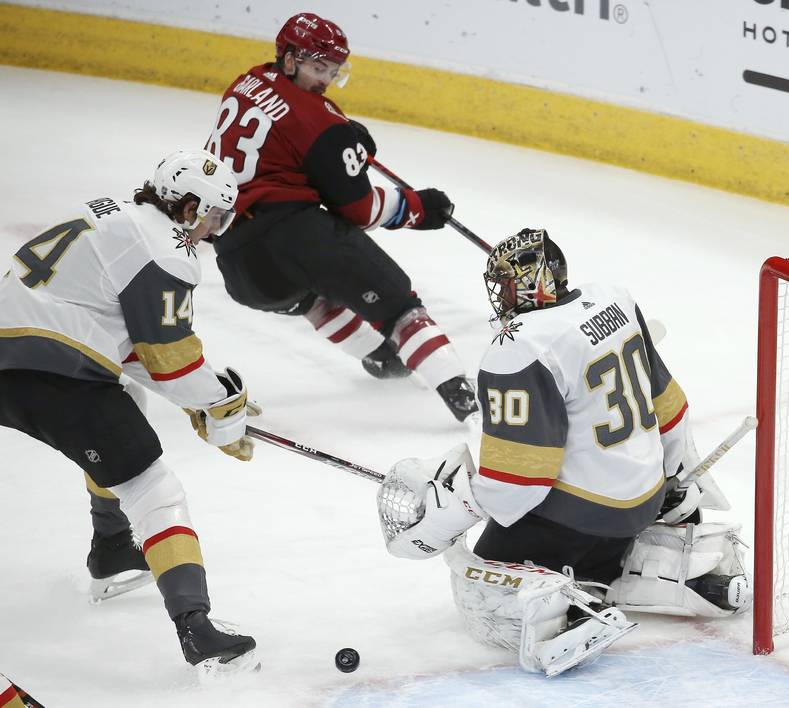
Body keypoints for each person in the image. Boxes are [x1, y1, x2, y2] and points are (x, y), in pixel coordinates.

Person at [376, 228, 752, 676]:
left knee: (479, 581)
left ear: (536, 281)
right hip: (645, 498)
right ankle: (659, 567)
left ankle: (565, 617)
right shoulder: (616, 301)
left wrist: (456, 507)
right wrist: (672, 476)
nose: (503, 296)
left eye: (508, 284)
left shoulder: (518, 346)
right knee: (597, 530)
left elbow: (520, 482)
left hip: (580, 518)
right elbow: (670, 405)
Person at [0, 150, 258, 672]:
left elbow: (134, 350)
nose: (212, 230)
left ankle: (115, 546)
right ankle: (197, 631)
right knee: (153, 487)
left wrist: (208, 394)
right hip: (52, 368)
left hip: (13, 348)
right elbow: (170, 361)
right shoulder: (169, 249)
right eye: (212, 216)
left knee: (128, 406)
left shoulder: (115, 214)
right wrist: (217, 406)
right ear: (188, 207)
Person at [204, 11, 478, 423]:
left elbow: (288, 125)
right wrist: (420, 208)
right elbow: (360, 209)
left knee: (314, 296)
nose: (325, 79)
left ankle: (381, 359)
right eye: (318, 67)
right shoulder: (321, 122)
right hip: (292, 235)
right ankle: (468, 405)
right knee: (400, 307)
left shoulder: (247, 82)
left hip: (236, 264)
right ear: (291, 58)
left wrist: (342, 135)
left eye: (332, 70)